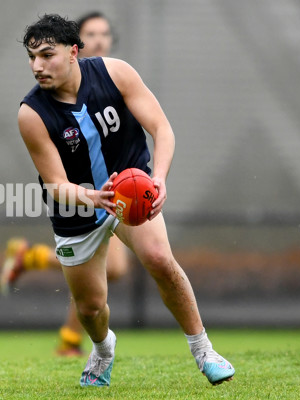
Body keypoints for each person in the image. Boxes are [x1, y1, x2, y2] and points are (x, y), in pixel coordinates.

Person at [17, 14, 234, 387]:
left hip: (132, 192)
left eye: (46, 55)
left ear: (73, 52)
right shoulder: (31, 113)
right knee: (91, 307)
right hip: (78, 206)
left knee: (159, 259)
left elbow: (161, 129)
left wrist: (159, 179)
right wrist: (92, 196)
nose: (37, 65)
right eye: (32, 56)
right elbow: (55, 185)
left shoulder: (116, 73)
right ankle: (102, 349)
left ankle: (204, 350)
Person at [0, 11, 129, 357]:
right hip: (80, 197)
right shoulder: (41, 105)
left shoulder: (109, 79)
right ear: (75, 47)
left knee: (110, 271)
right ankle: (73, 338)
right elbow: (55, 176)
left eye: (105, 33)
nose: (99, 40)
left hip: (112, 191)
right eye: (91, 34)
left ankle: (70, 336)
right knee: (103, 272)